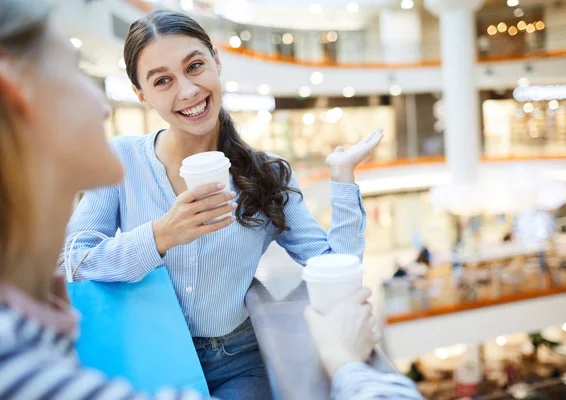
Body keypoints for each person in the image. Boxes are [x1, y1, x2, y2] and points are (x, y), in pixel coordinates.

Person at [0, 1, 430, 399]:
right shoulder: (121, 162)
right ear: (141, 95)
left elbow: (333, 265)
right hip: (151, 348)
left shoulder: (267, 173)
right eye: (162, 80)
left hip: (238, 358)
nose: (187, 90)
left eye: (195, 66)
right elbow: (72, 260)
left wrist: (342, 179)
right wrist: (160, 235)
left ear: (216, 64)